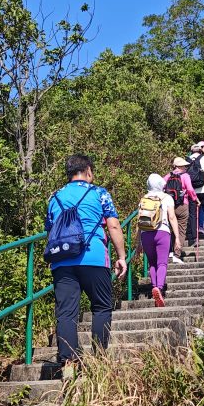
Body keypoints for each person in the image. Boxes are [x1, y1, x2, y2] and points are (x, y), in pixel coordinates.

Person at [46, 154, 127, 377]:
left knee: (66, 313)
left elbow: (50, 232)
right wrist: (121, 256)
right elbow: (113, 226)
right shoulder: (99, 193)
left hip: (62, 261)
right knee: (101, 307)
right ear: (88, 171)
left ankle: (68, 364)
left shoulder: (55, 197)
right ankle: (99, 359)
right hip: (94, 258)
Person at [136, 173, 182, 307]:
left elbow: (139, 221)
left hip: (146, 233)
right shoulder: (167, 198)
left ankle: (154, 286)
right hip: (162, 232)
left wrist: (138, 242)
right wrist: (177, 237)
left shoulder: (143, 199)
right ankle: (159, 288)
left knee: (152, 263)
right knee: (162, 263)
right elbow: (172, 217)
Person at [163, 157, 198, 260]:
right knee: (181, 230)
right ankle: (177, 254)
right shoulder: (185, 176)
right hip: (183, 205)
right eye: (184, 166)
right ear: (180, 166)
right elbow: (190, 189)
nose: (186, 167)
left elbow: (161, 186)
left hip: (170, 206)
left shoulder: (168, 176)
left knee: (170, 229)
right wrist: (195, 199)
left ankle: (170, 251)